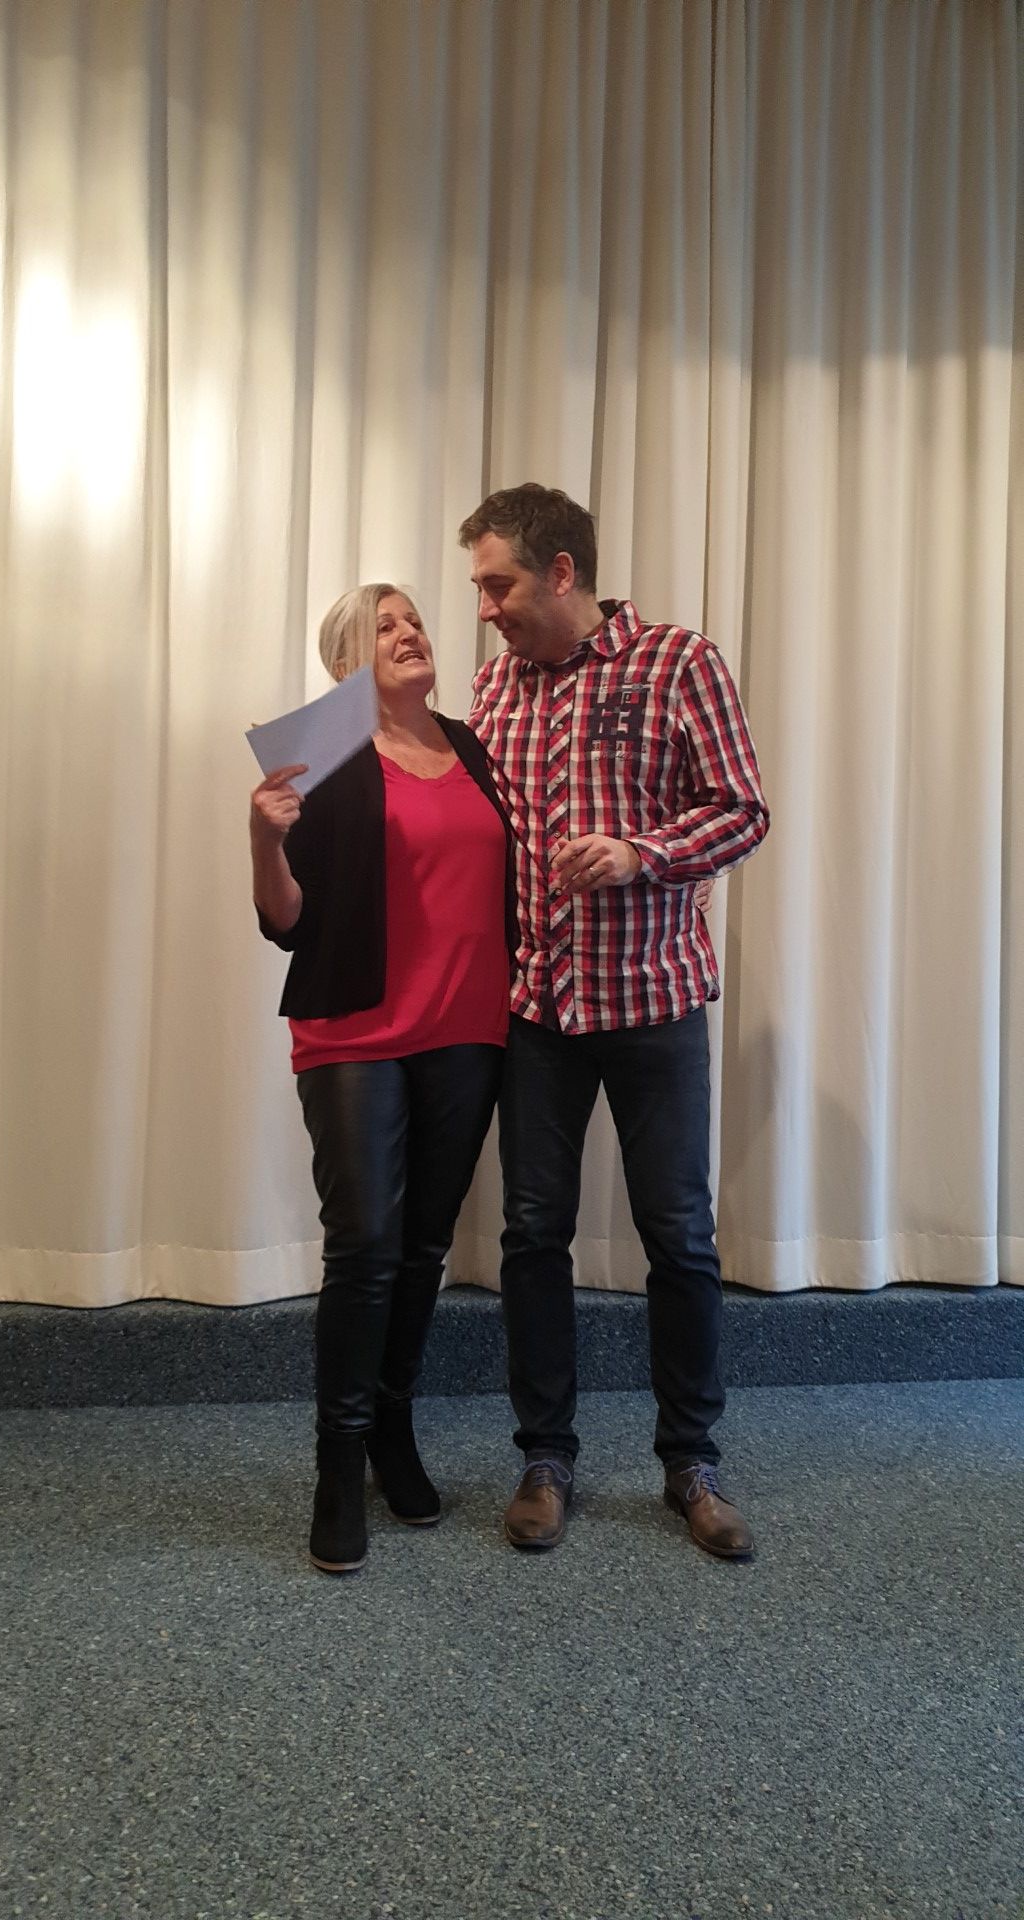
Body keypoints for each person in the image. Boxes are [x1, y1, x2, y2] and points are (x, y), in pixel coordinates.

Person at [459, 484, 769, 1559]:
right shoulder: (493, 688)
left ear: (560, 572)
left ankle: (692, 1463)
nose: (484, 608)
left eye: (497, 584)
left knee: (677, 1236)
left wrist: (644, 853)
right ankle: (545, 1457)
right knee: (531, 1235)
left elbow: (742, 809)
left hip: (652, 1002)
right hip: (537, 1011)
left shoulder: (680, 662)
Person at [250, 585, 517, 1575]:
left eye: (414, 621)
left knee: (422, 1247)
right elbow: (286, 921)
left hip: (467, 1031)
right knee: (365, 1244)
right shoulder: (322, 753)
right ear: (345, 664)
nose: (410, 634)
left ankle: (393, 1428)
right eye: (384, 626)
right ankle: (339, 1461)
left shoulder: (474, 748)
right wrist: (263, 838)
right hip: (355, 1032)